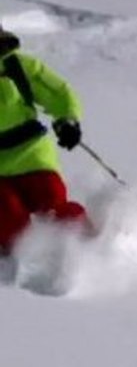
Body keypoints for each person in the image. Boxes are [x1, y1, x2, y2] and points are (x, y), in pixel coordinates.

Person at [0, 24, 88, 256]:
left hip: (32, 156)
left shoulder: (18, 66)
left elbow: (57, 92)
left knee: (53, 204)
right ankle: (23, 262)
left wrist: (67, 120)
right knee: (10, 220)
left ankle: (87, 247)